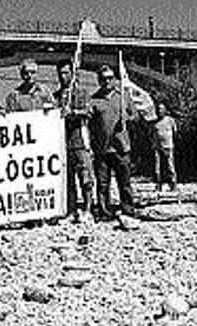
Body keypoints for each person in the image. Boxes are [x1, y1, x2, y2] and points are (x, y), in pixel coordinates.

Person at [89, 65, 137, 220]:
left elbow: (136, 117)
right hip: (102, 149)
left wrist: (127, 119)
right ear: (99, 80)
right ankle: (104, 212)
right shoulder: (94, 100)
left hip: (121, 147)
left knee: (124, 182)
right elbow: (89, 124)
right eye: (103, 79)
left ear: (115, 79)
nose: (107, 81)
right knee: (102, 184)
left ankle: (127, 209)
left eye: (110, 78)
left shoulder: (123, 97)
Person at [53, 59, 95, 223]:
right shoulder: (56, 96)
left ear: (72, 74)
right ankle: (71, 211)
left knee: (85, 178)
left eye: (66, 73)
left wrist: (73, 112)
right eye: (60, 73)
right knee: (68, 180)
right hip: (63, 144)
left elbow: (89, 112)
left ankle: (87, 210)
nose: (63, 76)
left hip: (80, 142)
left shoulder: (82, 93)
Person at [152, 103, 178, 191]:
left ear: (165, 110)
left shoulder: (170, 120)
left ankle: (173, 184)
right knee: (157, 167)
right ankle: (158, 185)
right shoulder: (154, 122)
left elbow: (175, 133)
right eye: (158, 109)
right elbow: (151, 134)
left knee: (170, 166)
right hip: (157, 147)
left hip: (168, 146)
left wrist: (172, 143)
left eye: (161, 109)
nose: (159, 111)